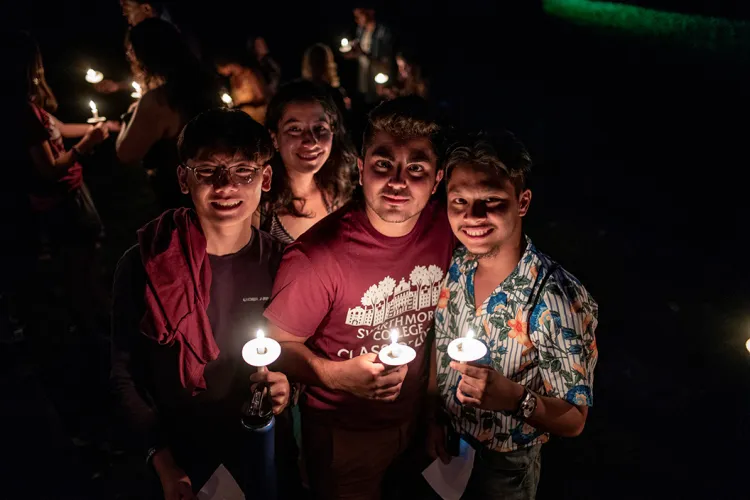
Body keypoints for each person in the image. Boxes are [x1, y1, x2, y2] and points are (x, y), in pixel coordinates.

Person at [263, 96, 455, 499]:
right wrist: (333, 375)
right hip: (343, 434)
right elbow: (274, 346)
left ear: (438, 180)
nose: (398, 182)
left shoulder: (448, 227)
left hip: (422, 420)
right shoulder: (318, 256)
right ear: (361, 167)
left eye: (416, 168)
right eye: (383, 164)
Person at [111, 109, 297, 499]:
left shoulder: (286, 264)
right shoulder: (146, 264)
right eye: (209, 171)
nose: (226, 186)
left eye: (244, 171)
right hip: (177, 455)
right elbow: (125, 373)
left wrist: (287, 388)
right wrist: (164, 464)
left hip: (261, 449)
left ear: (265, 179)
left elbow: (300, 356)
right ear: (183, 178)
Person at [428, 132, 599, 499]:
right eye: (459, 201)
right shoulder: (457, 264)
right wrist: (432, 418)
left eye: (491, 200)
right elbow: (439, 344)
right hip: (447, 445)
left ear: (522, 203)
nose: (472, 216)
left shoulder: (558, 298)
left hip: (505, 467)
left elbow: (574, 419)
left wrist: (514, 398)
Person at [3, 29, 115, 440]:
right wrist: (87, 145)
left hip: (72, 200)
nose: (42, 66)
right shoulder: (19, 111)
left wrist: (97, 128)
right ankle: (97, 343)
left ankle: (98, 330)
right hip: (64, 205)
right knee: (81, 271)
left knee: (88, 263)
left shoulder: (33, 107)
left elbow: (57, 130)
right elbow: (48, 167)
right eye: (35, 61)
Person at [116, 18, 220, 210]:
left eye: (130, 51)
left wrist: (129, 115)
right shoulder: (206, 86)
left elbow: (126, 153)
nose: (129, 57)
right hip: (213, 189)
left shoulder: (159, 100)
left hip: (177, 198)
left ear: (143, 56)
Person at [257, 80, 356, 244]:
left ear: (333, 132)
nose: (310, 141)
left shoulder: (340, 195)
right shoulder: (260, 209)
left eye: (320, 128)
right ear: (274, 138)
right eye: (295, 129)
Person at [344, 6, 394, 104]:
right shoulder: (361, 30)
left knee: (378, 100)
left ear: (370, 12)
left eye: (360, 15)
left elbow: (384, 59)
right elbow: (360, 52)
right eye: (355, 16)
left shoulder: (382, 32)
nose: (357, 20)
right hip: (364, 72)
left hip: (378, 74)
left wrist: (362, 52)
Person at [216, 51, 271, 124]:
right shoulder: (232, 79)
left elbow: (261, 98)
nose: (219, 72)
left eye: (219, 68)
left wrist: (243, 105)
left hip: (258, 119)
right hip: (245, 120)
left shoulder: (249, 74)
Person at [301, 43, 351, 116]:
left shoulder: (335, 93)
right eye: (314, 61)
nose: (317, 65)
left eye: (320, 61)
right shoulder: (301, 92)